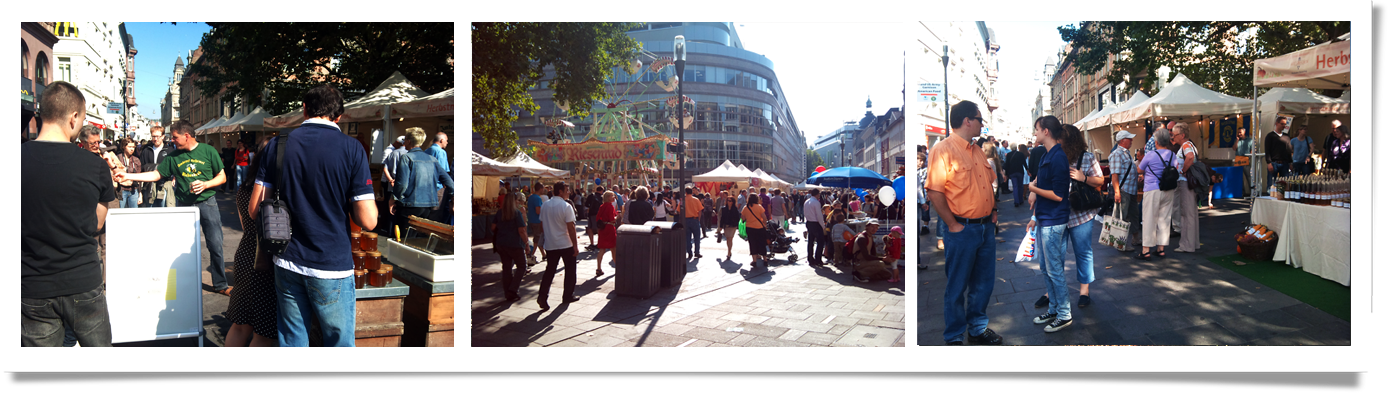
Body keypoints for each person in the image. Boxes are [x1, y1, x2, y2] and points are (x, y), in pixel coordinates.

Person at [247, 84, 378, 347]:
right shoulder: (352, 148)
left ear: (304, 109)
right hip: (331, 263)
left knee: (293, 340)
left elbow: (255, 210)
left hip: (287, 259)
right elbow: (369, 221)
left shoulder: (278, 144)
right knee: (338, 344)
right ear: (339, 116)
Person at [21, 80, 115, 347]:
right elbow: (97, 223)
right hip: (82, 280)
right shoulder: (95, 166)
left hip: (32, 284)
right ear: (74, 117)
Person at [118, 119, 231, 296]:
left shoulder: (208, 151)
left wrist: (206, 184)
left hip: (207, 203)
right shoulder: (173, 156)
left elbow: (222, 177)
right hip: (185, 205)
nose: (172, 140)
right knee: (183, 246)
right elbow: (156, 175)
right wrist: (129, 176)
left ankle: (220, 284)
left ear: (187, 136)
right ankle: (186, 283)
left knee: (215, 244)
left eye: (175, 137)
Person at [926, 100, 1003, 345]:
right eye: (980, 119)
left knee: (983, 283)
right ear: (967, 121)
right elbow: (934, 191)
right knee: (957, 285)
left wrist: (993, 210)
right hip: (963, 229)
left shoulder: (977, 150)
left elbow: (989, 184)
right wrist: (952, 224)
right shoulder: (943, 149)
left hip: (985, 227)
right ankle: (954, 335)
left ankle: (977, 328)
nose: (982, 124)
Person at [1035, 124, 1103, 311]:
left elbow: (1100, 180)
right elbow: (1042, 180)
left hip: (1081, 214)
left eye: (1060, 138)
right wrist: (1033, 190)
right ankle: (1051, 292)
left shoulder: (1087, 157)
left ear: (1069, 140)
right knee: (1055, 255)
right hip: (1058, 214)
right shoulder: (1053, 156)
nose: (1057, 141)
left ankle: (1084, 291)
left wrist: (1083, 178)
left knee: (1083, 252)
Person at [224, 139, 278, 346]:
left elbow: (245, 226)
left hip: (246, 253)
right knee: (264, 333)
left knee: (241, 324)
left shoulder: (245, 189)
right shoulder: (278, 190)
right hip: (265, 260)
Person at [1026, 115, 1073, 333]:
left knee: (1054, 270)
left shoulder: (1058, 157)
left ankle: (1064, 314)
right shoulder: (1048, 154)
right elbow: (1042, 183)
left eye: (1037, 129)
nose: (1034, 133)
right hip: (1046, 219)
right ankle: (1054, 309)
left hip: (1054, 220)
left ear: (1046, 131)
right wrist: (1035, 215)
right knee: (1047, 268)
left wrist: (1033, 189)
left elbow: (1058, 195)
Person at [391, 127, 456, 230]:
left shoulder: (406, 158)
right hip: (429, 206)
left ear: (409, 141)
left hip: (409, 205)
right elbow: (449, 182)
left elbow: (402, 185)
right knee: (422, 237)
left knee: (405, 237)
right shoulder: (432, 159)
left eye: (405, 139)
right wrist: (453, 198)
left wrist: (394, 198)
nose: (404, 142)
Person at [536, 181, 579, 310]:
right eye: (567, 190)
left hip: (551, 243)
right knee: (570, 270)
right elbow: (571, 227)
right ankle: (567, 295)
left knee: (549, 271)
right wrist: (575, 245)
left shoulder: (545, 205)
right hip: (565, 243)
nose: (569, 192)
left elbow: (542, 225)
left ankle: (542, 296)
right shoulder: (566, 206)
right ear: (560, 191)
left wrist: (548, 235)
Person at [1137, 127, 1178, 260]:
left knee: (1149, 219)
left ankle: (1146, 250)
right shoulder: (1172, 155)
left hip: (1152, 189)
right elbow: (1176, 168)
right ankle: (1161, 249)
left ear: (1156, 142)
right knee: (1164, 219)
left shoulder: (1150, 155)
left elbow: (1139, 169)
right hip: (1168, 189)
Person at [490, 190, 529, 302]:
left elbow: (493, 227)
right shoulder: (516, 213)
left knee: (506, 268)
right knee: (522, 266)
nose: (518, 202)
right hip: (514, 244)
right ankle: (513, 289)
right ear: (513, 201)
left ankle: (508, 292)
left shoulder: (500, 212)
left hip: (501, 243)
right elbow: (521, 230)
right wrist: (526, 243)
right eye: (517, 200)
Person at [1171, 123, 1201, 253]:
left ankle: (1187, 245)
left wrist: (1183, 170)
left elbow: (1190, 157)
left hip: (1185, 183)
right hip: (1189, 183)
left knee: (1186, 214)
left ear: (1182, 135)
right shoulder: (1190, 145)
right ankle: (1193, 243)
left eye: (1174, 135)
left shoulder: (1185, 145)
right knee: (1191, 213)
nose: (1173, 137)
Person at [1109, 130, 1141, 252]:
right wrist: (1117, 192)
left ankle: (1135, 238)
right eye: (1129, 138)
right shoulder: (1117, 154)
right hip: (1124, 190)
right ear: (1122, 140)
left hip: (1130, 189)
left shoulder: (1125, 153)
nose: (1131, 140)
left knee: (1133, 214)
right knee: (1122, 217)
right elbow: (1114, 175)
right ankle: (1120, 243)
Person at [425, 132, 452, 223]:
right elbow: (442, 172)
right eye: (446, 140)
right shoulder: (441, 152)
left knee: (426, 215)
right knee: (436, 216)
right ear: (441, 140)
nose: (447, 143)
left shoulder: (426, 151)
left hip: (425, 188)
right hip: (438, 188)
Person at [1264, 116, 1293, 193]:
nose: (1284, 126)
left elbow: (1288, 150)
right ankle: (1270, 196)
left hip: (1285, 163)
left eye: (1285, 124)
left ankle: (1282, 196)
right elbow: (1267, 150)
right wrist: (1269, 163)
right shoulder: (1270, 136)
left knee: (1285, 183)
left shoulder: (1286, 137)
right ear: (1277, 123)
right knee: (1271, 184)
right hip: (1274, 163)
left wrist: (1290, 162)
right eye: (1282, 124)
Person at [593, 191, 618, 276]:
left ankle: (598, 268)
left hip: (602, 228)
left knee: (602, 249)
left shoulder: (602, 206)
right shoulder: (610, 206)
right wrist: (617, 216)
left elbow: (597, 217)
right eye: (612, 196)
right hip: (610, 228)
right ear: (608, 197)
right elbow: (612, 219)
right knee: (613, 248)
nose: (614, 197)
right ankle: (617, 267)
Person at [114, 138, 143, 208]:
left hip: (133, 190)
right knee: (119, 211)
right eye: (129, 147)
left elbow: (139, 178)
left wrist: (140, 194)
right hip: (121, 190)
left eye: (133, 147)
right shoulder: (117, 158)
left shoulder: (136, 160)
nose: (132, 149)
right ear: (124, 147)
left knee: (133, 212)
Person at [742, 194, 768, 268]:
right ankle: (765, 260)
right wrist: (765, 225)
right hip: (760, 227)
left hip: (750, 228)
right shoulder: (759, 207)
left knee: (752, 243)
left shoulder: (745, 207)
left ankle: (754, 261)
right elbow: (764, 217)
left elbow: (743, 218)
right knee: (762, 243)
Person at [802, 188, 827, 267]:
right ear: (817, 194)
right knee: (820, 242)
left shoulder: (807, 201)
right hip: (816, 223)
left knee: (811, 241)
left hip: (809, 222)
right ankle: (818, 259)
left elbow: (805, 212)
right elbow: (819, 215)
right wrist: (823, 225)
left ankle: (810, 258)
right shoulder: (816, 202)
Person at [526, 183, 547, 264]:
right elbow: (538, 211)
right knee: (537, 239)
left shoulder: (531, 197)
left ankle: (544, 254)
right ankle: (530, 256)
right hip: (537, 221)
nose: (543, 190)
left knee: (538, 238)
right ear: (540, 189)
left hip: (531, 220)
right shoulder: (537, 198)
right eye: (543, 188)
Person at [716, 193, 741, 261]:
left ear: (733, 202)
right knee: (728, 238)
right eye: (728, 200)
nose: (729, 202)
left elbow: (738, 218)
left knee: (730, 238)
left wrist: (736, 225)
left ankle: (729, 252)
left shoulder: (735, 209)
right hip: (726, 226)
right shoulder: (724, 209)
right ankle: (729, 250)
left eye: (730, 201)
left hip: (732, 226)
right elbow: (722, 218)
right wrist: (720, 226)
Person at [1004, 143, 1029, 208]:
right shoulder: (1020, 154)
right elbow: (1024, 163)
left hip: (1012, 172)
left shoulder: (1009, 155)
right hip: (1020, 171)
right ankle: (1021, 200)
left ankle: (1016, 201)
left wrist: (1006, 174)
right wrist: (1027, 170)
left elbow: (1007, 165)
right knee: (1020, 186)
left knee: (1015, 186)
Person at [1234, 127, 1254, 194]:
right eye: (1238, 132)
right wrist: (1237, 140)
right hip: (1238, 159)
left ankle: (1252, 192)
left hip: (1245, 159)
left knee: (1248, 176)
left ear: (1244, 132)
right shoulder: (1237, 140)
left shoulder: (1249, 140)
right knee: (1239, 177)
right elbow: (1234, 148)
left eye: (1240, 132)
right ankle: (1242, 192)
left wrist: (1249, 157)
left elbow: (1252, 150)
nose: (1239, 134)